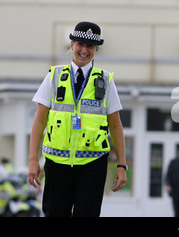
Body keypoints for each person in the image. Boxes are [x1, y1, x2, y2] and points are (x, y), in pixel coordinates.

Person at [27, 21, 127, 217]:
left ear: (96, 49)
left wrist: (122, 165)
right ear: (71, 44)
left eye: (90, 46)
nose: (84, 50)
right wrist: (32, 160)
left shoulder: (106, 81)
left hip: (93, 166)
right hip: (57, 164)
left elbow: (116, 126)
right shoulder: (54, 76)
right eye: (80, 44)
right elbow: (39, 121)